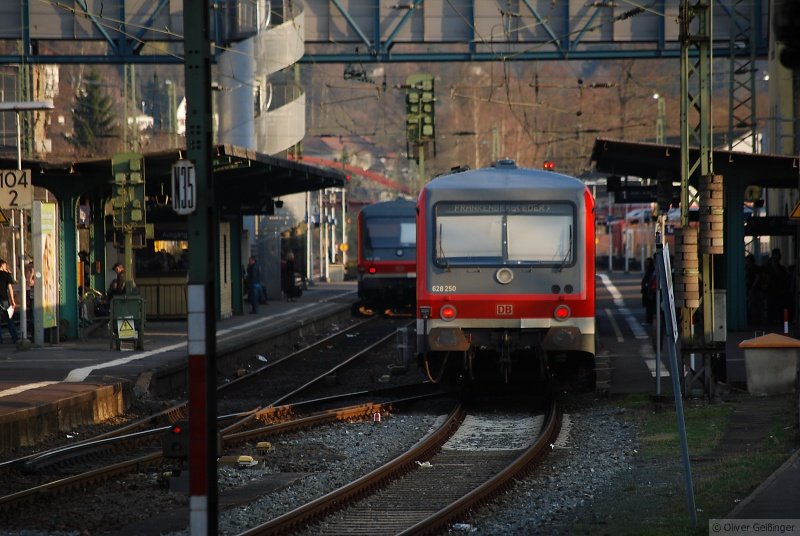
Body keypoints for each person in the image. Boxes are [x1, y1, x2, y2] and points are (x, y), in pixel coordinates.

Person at [0, 259, 19, 344]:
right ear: (2, 265)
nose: (5, 266)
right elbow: (10, 289)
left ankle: (0, 340)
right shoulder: (7, 275)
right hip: (4, 300)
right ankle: (15, 338)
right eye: (4, 265)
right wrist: (13, 301)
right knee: (9, 319)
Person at [641, 256, 657, 325]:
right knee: (649, 307)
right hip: (648, 291)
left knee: (650, 307)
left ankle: (649, 320)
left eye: (647, 262)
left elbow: (648, 280)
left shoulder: (651, 270)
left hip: (650, 291)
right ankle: (649, 320)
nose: (646, 264)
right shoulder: (650, 270)